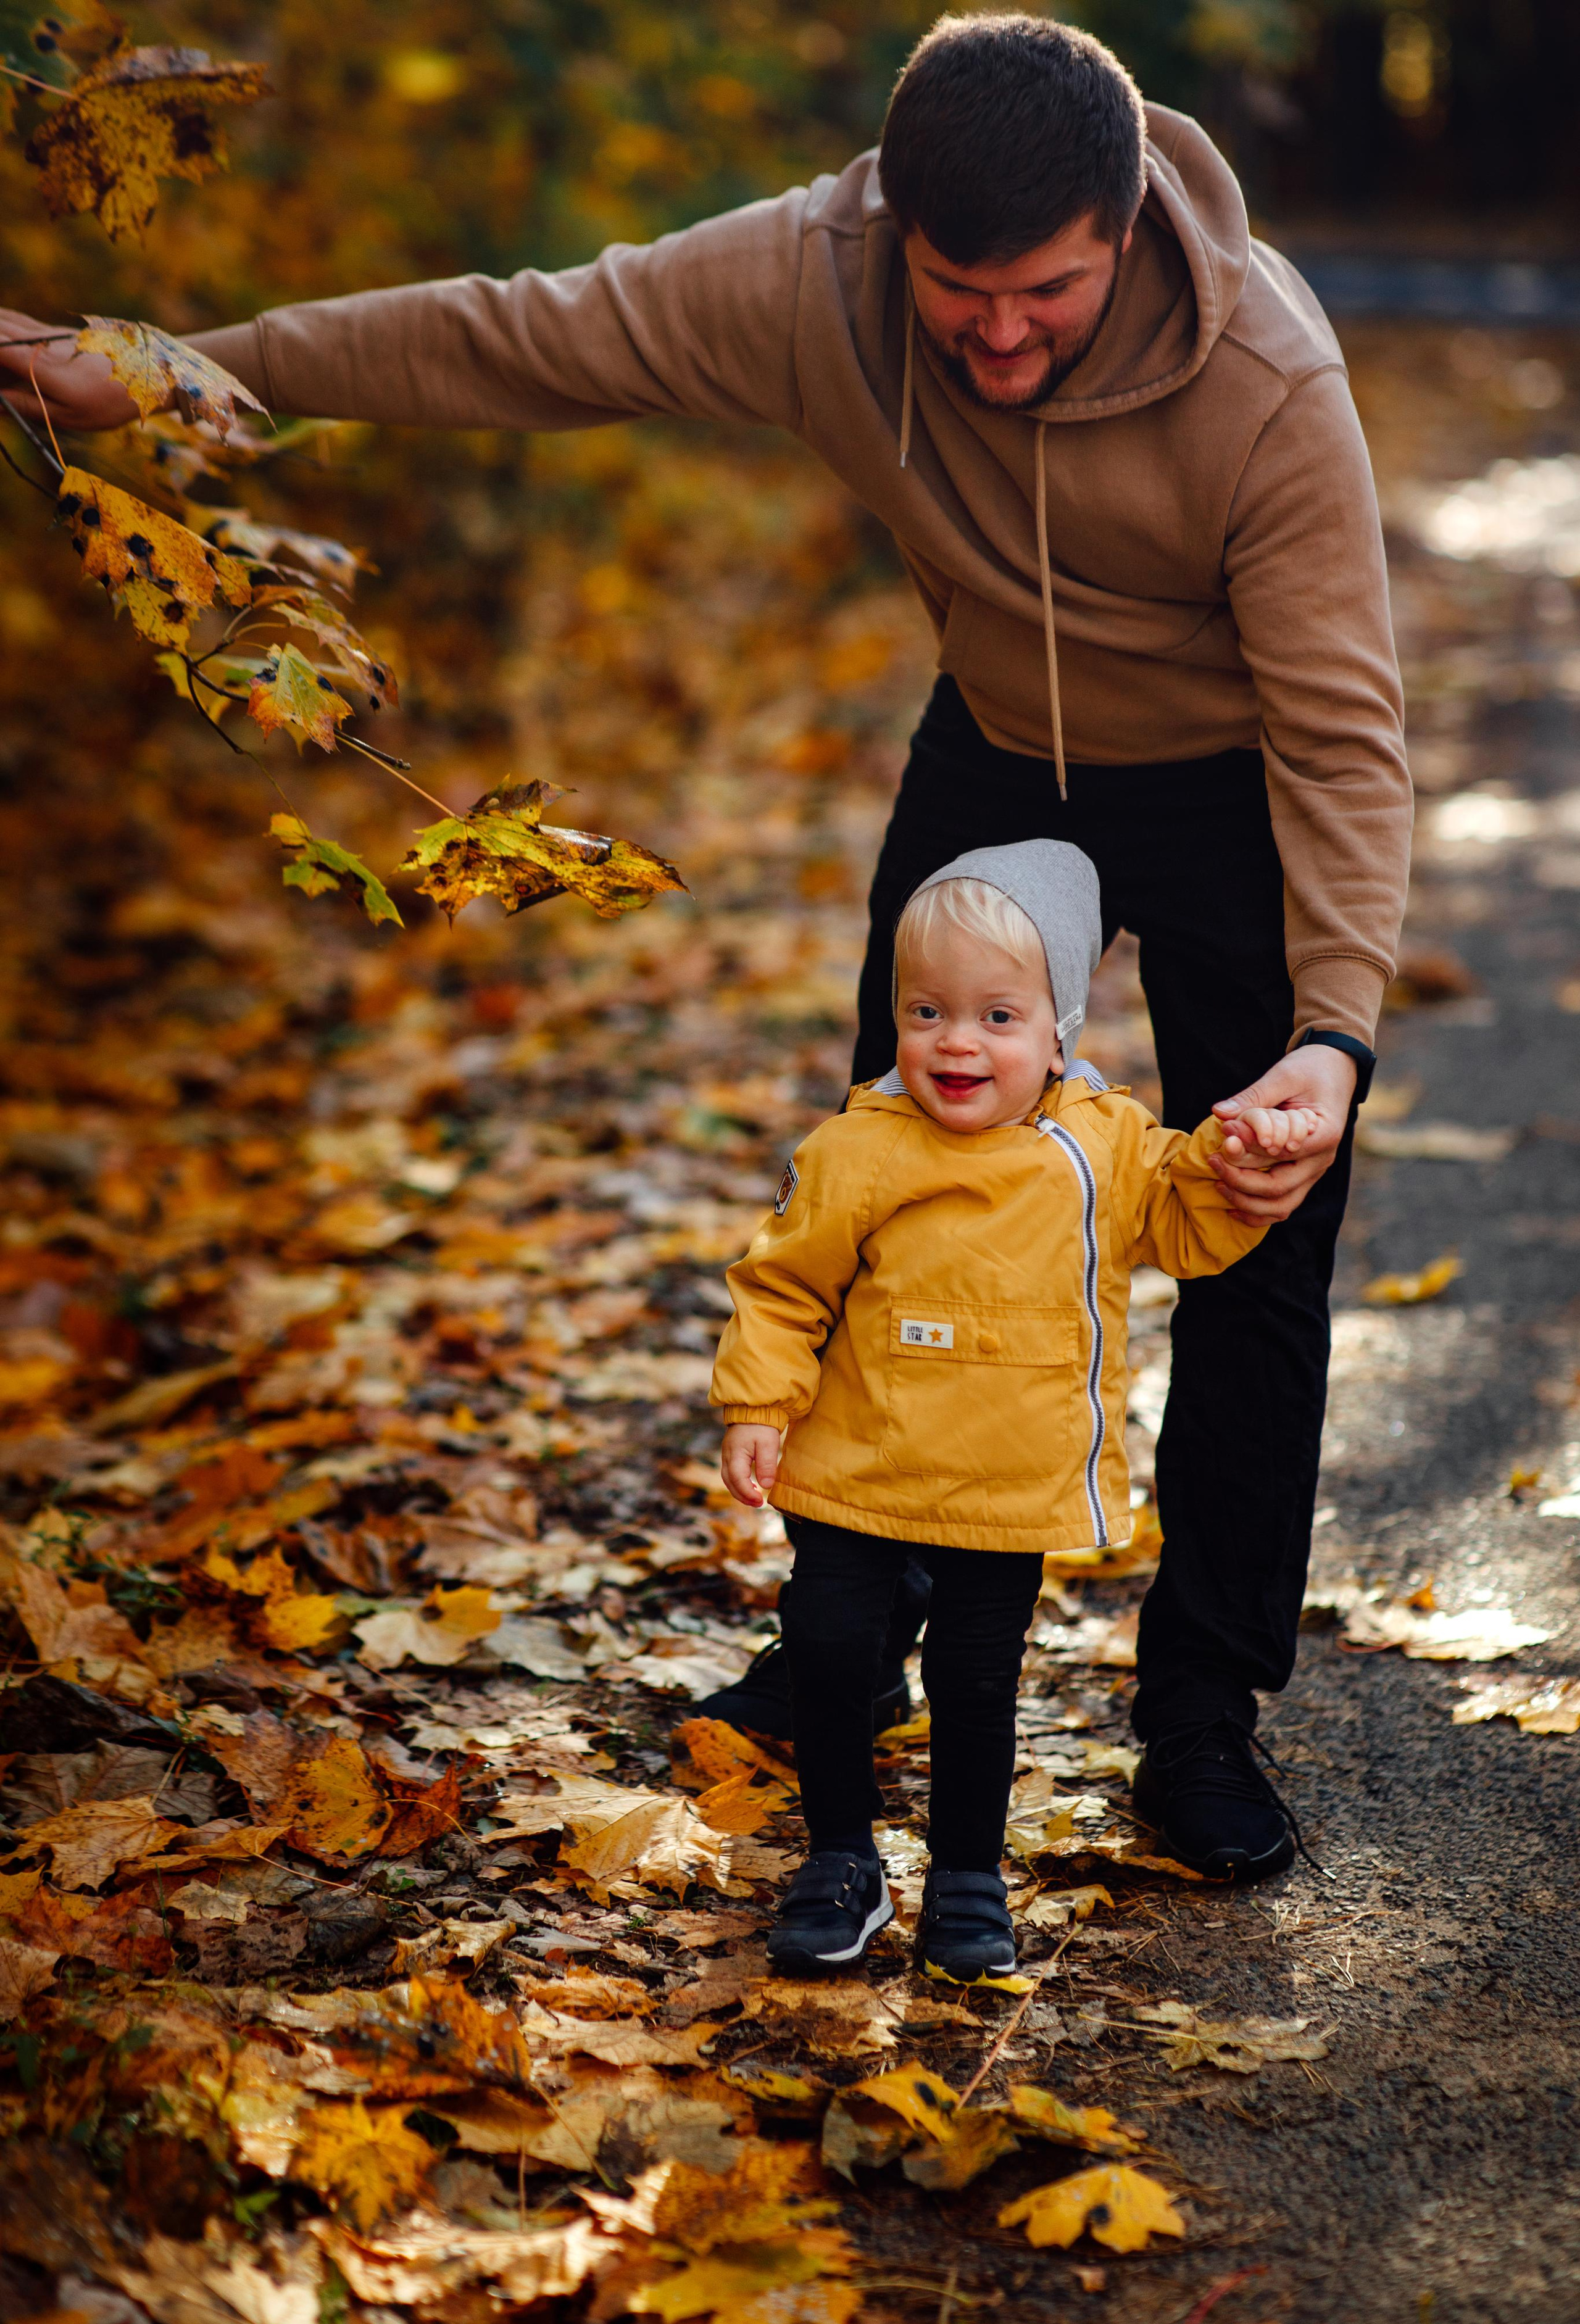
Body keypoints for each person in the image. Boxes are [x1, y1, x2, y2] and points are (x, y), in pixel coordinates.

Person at [0, 15, 1411, 1872]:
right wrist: (176, 375)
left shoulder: (1267, 375)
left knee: (1259, 1226)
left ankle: (1201, 1719)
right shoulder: (814, 277)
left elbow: (1340, 730)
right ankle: (852, 1645)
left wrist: (1334, 1037)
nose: (997, 338)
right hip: (999, 751)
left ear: (1128, 224)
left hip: (1235, 776)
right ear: (894, 228)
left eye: (1046, 294)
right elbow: (515, 333)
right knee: (887, 1179)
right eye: (958, 291)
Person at [713, 839, 1312, 1975]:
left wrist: (1240, 1162)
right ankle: (841, 1858)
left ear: (1059, 1028)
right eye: (927, 1009)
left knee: (978, 1681)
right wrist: (758, 1401)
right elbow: (780, 1284)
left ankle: (968, 1876)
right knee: (832, 1652)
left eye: (997, 1016)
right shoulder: (856, 1151)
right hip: (855, 1467)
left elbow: (1190, 1232)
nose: (957, 1042)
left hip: (1007, 1482)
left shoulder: (1107, 1147)